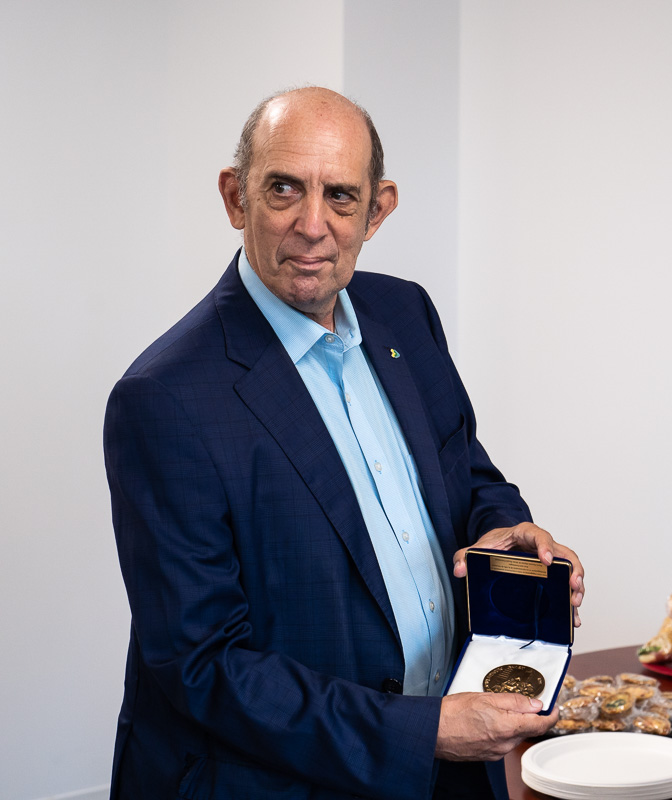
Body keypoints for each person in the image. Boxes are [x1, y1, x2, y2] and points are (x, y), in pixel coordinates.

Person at [103, 87, 585, 799]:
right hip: (278, 782)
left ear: (378, 209)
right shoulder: (163, 399)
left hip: (450, 771)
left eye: (340, 196)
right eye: (283, 189)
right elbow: (202, 664)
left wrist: (505, 532)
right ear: (236, 198)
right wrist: (423, 732)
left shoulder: (405, 313)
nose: (312, 225)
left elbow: (469, 475)